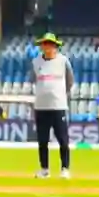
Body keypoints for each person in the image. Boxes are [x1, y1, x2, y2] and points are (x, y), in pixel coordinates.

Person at [29, 32, 75, 178]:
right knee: (42, 140)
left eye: (50, 44)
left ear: (55, 46)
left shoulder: (63, 61)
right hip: (41, 106)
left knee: (63, 139)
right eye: (45, 44)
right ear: (41, 46)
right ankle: (44, 169)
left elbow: (70, 81)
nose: (47, 47)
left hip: (58, 106)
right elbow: (32, 80)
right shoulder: (36, 62)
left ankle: (65, 168)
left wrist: (60, 94)